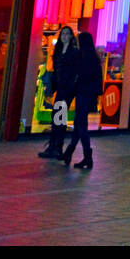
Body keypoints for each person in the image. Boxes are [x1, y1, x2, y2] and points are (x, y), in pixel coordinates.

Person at [38, 25, 79, 160]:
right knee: (57, 116)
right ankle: (54, 146)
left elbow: (74, 72)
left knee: (59, 116)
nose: (64, 36)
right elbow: (55, 70)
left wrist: (69, 86)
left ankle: (56, 147)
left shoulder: (73, 52)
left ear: (71, 36)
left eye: (67, 34)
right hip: (60, 88)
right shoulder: (59, 51)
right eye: (63, 34)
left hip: (66, 89)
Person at [63, 32, 103, 170]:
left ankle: (84, 155)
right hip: (89, 95)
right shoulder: (94, 58)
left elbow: (77, 75)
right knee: (79, 123)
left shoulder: (81, 57)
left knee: (80, 124)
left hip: (82, 94)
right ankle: (73, 152)